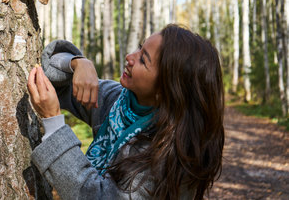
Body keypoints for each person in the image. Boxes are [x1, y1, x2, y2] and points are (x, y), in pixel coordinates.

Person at [27, 24, 224, 199]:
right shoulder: (119, 101)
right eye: (140, 47)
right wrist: (78, 63)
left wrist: (53, 122)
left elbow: (96, 196)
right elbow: (49, 70)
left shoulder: (167, 154)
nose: (130, 57)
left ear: (168, 89)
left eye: (143, 60)